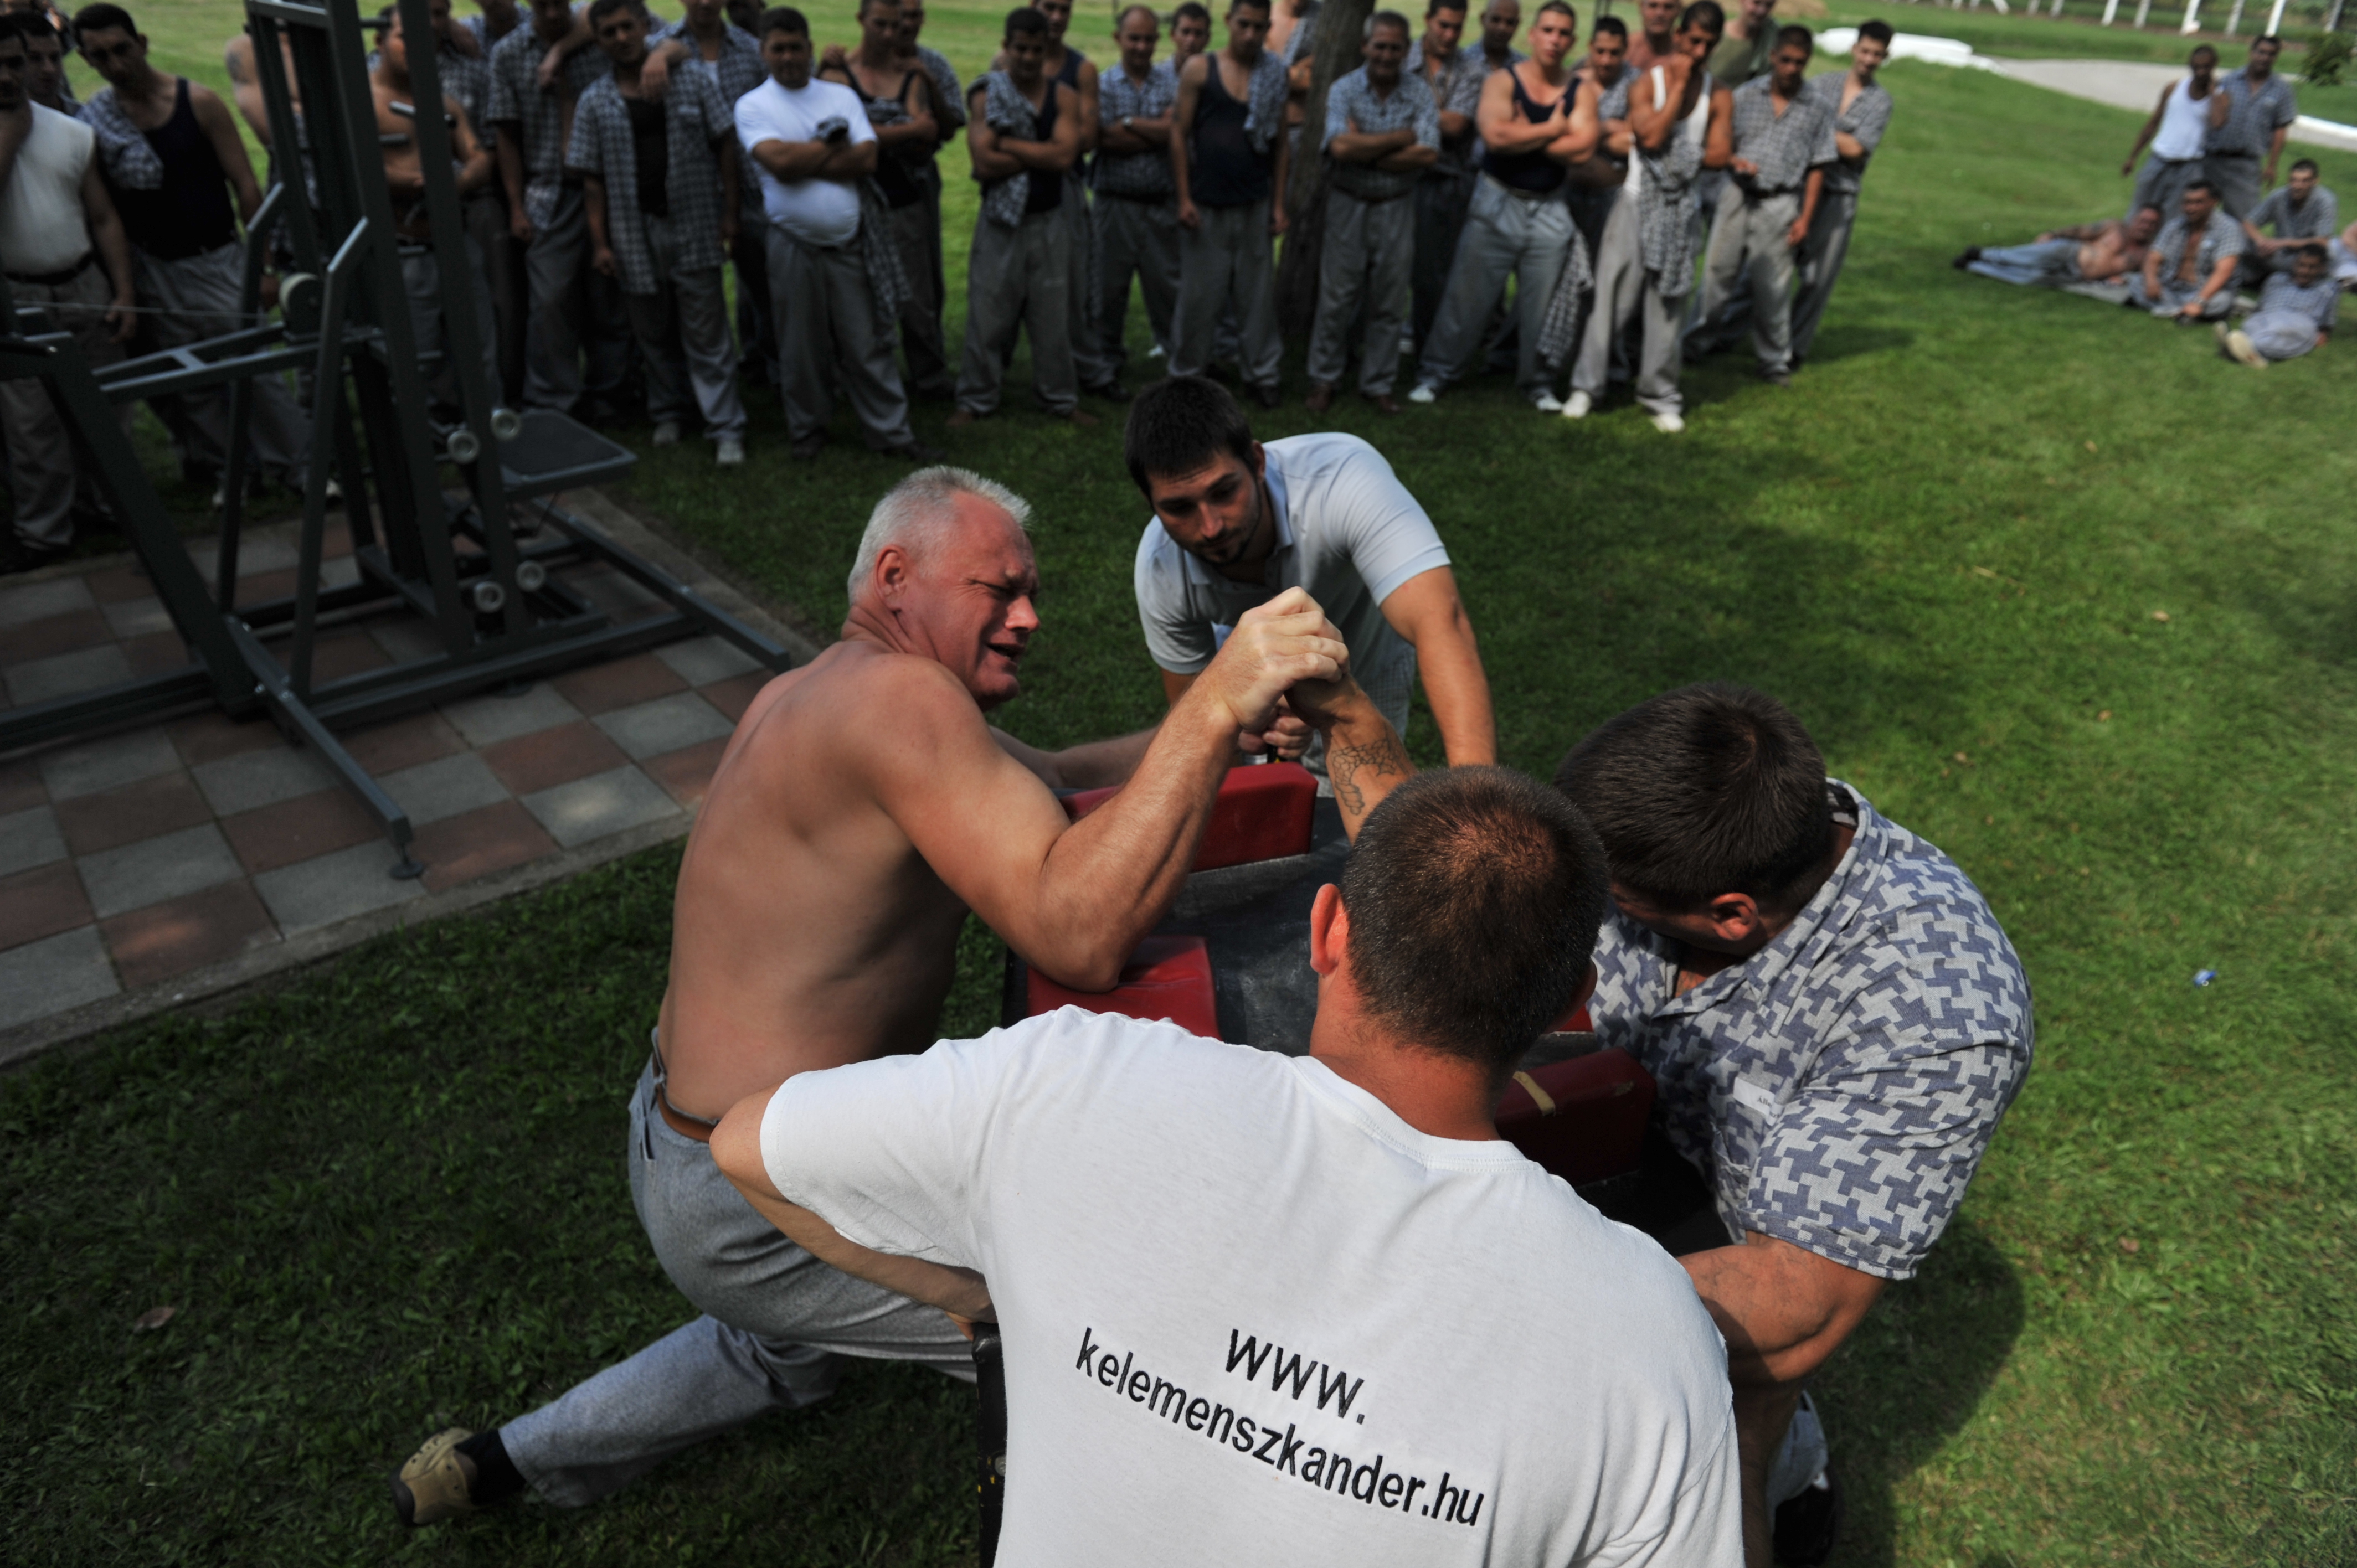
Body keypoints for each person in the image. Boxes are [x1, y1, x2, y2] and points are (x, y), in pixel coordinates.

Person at [389, 464, 1390, 1525]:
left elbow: (1051, 775)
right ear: (898, 574)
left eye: (1030, 592)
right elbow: (1079, 934)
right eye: (997, 589)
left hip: (686, 1141)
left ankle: (499, 1463)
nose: (1029, 617)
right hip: (758, 1199)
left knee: (782, 1351)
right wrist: (1223, 690)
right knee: (1080, 1334)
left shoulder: (831, 687)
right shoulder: (901, 700)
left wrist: (1216, 733)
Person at [709, 766, 1745, 1566]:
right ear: (1573, 999)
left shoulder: (1074, 1078)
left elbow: (750, 1144)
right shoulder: (1647, 1335)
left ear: (1327, 929)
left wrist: (990, 1296)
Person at [1555, 682, 2032, 1568]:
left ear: (1732, 915)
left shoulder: (1939, 1007)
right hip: (1605, 1184)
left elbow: (1797, 1302)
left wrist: (1492, 1281)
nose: (1598, 908)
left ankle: (1793, 1488)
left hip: (1725, 1312)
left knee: (1711, 1492)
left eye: (1617, 900)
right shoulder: (1704, 823)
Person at [1128, 374, 1495, 792]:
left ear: (1258, 463)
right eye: (1179, 508)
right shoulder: (1160, 570)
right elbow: (1191, 714)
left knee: (1371, 803)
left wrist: (1478, 801)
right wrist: (1233, 727)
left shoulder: (1343, 480)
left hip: (1366, 659)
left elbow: (1439, 624)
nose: (1210, 527)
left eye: (1225, 492)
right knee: (1259, 805)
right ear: (1150, 503)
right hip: (1242, 666)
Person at [70, 3, 309, 497]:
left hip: (217, 259)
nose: (115, 65)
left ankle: (299, 465)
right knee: (192, 383)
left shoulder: (197, 102)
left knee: (256, 372)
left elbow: (245, 184)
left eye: (121, 50)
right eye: (100, 57)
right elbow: (106, 213)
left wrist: (262, 267)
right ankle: (233, 472)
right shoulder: (98, 122)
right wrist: (127, 286)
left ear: (143, 43)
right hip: (154, 265)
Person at [736, 6, 932, 461]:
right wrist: (829, 147)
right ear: (764, 53)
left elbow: (865, 160)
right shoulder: (753, 106)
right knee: (800, 343)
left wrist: (801, 158)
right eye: (778, 48)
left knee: (867, 341)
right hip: (791, 243)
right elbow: (777, 165)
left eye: (796, 47)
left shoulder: (838, 96)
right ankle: (808, 431)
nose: (788, 57)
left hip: (850, 242)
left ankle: (891, 433)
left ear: (810, 46)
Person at [570, 0, 747, 465]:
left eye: (628, 27)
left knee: (706, 329)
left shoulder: (688, 80)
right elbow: (592, 178)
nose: (621, 38)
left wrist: (729, 212)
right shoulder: (595, 100)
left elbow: (724, 142)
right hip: (632, 231)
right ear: (599, 40)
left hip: (692, 222)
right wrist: (601, 242)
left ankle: (725, 425)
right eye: (609, 32)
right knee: (652, 328)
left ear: (644, 26)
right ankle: (669, 410)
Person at [0, 12, 133, 565]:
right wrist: (11, 132)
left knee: (105, 404)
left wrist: (122, 291)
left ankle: (113, 507)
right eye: (8, 64)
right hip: (18, 295)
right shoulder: (13, 132)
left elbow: (103, 217)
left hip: (83, 281)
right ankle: (45, 532)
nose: (13, 75)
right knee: (32, 424)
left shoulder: (72, 132)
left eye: (17, 63)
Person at [1407, 0, 1586, 410]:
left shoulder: (1578, 87)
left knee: (1542, 300)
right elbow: (1495, 137)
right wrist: (1555, 127)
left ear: (1572, 40)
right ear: (1534, 34)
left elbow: (1583, 146)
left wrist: (1526, 130)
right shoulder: (1504, 79)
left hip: (1550, 204)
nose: (1555, 40)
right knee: (1467, 295)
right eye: (1549, 30)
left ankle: (1538, 382)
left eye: (1563, 33)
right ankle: (1436, 373)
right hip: (1497, 195)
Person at [1562, 0, 1728, 432]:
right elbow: (1651, 136)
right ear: (1679, 37)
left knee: (1668, 306)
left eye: (1708, 45)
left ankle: (1660, 393)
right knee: (1611, 301)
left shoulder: (1719, 92)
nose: (1699, 52)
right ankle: (1587, 385)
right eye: (1693, 41)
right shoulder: (1646, 85)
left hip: (1680, 211)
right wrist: (1678, 88)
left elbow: (1722, 153)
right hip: (1635, 201)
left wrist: (1676, 155)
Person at [949, 6, 1091, 429]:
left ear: (1046, 48)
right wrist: (1038, 154)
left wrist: (1009, 144)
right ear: (1006, 48)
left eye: (1036, 49)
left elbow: (1067, 156)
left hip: (1049, 219)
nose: (1028, 57)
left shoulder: (1062, 96)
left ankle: (1061, 399)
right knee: (988, 312)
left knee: (1053, 315)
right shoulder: (987, 94)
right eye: (1020, 49)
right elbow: (983, 162)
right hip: (1000, 220)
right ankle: (975, 399)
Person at [491, 0, 629, 417]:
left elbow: (651, 32)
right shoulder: (510, 53)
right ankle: (553, 399)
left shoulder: (599, 35)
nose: (552, 13)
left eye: (558, 4)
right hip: (550, 190)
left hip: (611, 188)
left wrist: (560, 51)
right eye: (542, 5)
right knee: (551, 303)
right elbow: (506, 135)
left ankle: (610, 392)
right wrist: (516, 206)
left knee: (610, 296)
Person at [819, 0, 952, 404]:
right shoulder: (837, 72)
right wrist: (902, 128)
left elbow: (929, 132)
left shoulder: (910, 74)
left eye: (897, 26)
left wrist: (877, 130)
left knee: (917, 302)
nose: (890, 34)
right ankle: (853, 382)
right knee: (855, 300)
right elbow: (843, 138)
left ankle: (929, 380)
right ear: (861, 20)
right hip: (855, 206)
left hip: (903, 202)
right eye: (881, 24)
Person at [1684, 23, 1830, 388]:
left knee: (1773, 286)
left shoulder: (1818, 108)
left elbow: (1818, 167)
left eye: (1800, 63)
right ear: (1773, 58)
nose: (1792, 69)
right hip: (1737, 193)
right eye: (1786, 61)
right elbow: (1721, 143)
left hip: (1781, 199)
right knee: (1718, 274)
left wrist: (1805, 218)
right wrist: (1735, 162)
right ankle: (1695, 342)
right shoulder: (1747, 95)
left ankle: (1774, 360)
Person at [1306, 11, 1437, 414]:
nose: (1386, 54)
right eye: (1379, 45)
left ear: (1406, 50)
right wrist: (1401, 139)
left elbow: (1429, 153)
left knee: (1388, 300)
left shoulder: (1420, 92)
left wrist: (1365, 145)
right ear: (1365, 46)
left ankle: (1378, 383)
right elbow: (1339, 148)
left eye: (1395, 47)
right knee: (1336, 298)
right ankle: (1324, 380)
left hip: (1397, 206)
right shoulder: (1344, 88)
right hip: (1349, 203)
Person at [1168, 0, 1290, 406]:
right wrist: (1184, 197)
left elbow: (1281, 143)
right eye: (1244, 25)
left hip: (1253, 201)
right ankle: (1187, 377)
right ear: (1228, 22)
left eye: (1259, 27)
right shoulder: (1201, 69)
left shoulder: (1274, 73)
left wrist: (1278, 204)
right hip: (1207, 205)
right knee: (1200, 298)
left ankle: (1262, 375)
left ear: (1268, 27)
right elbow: (1179, 134)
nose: (1251, 35)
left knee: (1256, 298)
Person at [666, 0, 779, 395]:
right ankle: (690, 385)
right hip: (690, 192)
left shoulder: (751, 49)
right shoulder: (660, 48)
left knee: (765, 283)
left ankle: (770, 365)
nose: (706, 3)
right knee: (694, 294)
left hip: (750, 187)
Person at [1787, 17, 1886, 367]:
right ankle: (1727, 334)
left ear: (1884, 58)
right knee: (1774, 265)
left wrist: (1818, 131)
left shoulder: (1880, 102)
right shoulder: (1822, 85)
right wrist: (1836, 136)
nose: (1869, 59)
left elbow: (1858, 149)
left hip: (1840, 194)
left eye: (1877, 54)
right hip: (1801, 185)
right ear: (1854, 49)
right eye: (1865, 51)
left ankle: (1794, 348)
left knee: (1818, 278)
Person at [1093, 4, 1180, 378]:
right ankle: (1104, 363)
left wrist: (1127, 124)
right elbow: (1104, 138)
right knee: (1107, 291)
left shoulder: (1172, 84)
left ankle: (1179, 365)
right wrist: (1153, 130)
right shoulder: (1102, 84)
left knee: (1168, 290)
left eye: (1148, 39)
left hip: (1161, 204)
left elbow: (1176, 133)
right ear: (1118, 38)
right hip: (1115, 205)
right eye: (1134, 38)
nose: (1142, 47)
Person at [1402, 0, 1479, 350]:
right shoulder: (1400, 55)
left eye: (1457, 28)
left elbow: (1455, 124)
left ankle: (1424, 348)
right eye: (1443, 25)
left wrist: (1407, 113)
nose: (1449, 35)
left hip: (1444, 181)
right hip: (1398, 176)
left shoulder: (1471, 69)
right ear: (1428, 20)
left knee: (1433, 276)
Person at [2120, 44, 2218, 228]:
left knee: (2174, 217)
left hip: (2189, 165)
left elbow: (2218, 123)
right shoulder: (2174, 88)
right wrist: (2133, 157)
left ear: (2214, 66)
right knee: (2139, 209)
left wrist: (2214, 93)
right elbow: (2153, 122)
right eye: (2196, 67)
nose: (2201, 71)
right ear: (2190, 65)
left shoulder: (2218, 97)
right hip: (2160, 158)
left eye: (2206, 67)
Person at [1955, 205, 2162, 288]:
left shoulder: (2145, 254)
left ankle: (1973, 266)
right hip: (2070, 253)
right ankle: (1984, 254)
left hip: (2078, 277)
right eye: (2143, 220)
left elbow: (2142, 277)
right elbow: (2082, 231)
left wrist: (2120, 279)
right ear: (2135, 219)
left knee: (2033, 279)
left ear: (2156, 229)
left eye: (2152, 224)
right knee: (2029, 257)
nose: (2145, 226)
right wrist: (2054, 234)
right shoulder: (2115, 227)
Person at [2202, 34, 2294, 221]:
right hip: (2214, 159)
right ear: (2252, 53)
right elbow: (2209, 116)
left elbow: (2280, 129)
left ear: (2276, 57)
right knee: (2199, 213)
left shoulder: (2282, 90)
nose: (2265, 58)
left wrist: (2272, 165)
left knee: (2244, 220)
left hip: (2247, 165)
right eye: (2261, 52)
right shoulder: (2228, 81)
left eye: (2271, 54)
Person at [2132, 180, 2244, 322]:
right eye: (2187, 203)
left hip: (2204, 291)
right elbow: (2153, 257)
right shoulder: (2174, 226)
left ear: (2214, 202)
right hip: (2171, 288)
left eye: (2198, 203)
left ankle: (2173, 309)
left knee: (2222, 301)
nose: (2191, 208)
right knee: (2137, 281)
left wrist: (2199, 301)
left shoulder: (2229, 229)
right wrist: (2151, 281)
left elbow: (2223, 272)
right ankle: (2181, 312)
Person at [2218, 243, 2334, 367]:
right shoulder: (2277, 279)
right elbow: (2261, 307)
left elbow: (2326, 322)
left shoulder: (2327, 289)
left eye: (2312, 267)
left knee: (2280, 330)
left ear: (2322, 268)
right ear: (2294, 264)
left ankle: (2241, 347)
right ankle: (2242, 348)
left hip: (2299, 321)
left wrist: (2323, 334)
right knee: (2253, 324)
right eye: (2301, 265)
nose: (2304, 271)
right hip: (2268, 315)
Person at [2239, 156, 2336, 278]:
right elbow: (2249, 223)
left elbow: (2321, 242)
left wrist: (2282, 243)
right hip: (2278, 253)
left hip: (2304, 257)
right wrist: (2261, 242)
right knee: (2239, 238)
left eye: (2304, 181)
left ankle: (2259, 275)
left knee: (2311, 264)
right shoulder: (2279, 196)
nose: (2297, 186)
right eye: (2294, 180)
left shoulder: (2325, 201)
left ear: (2315, 181)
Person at [1702, 0, 1769, 85]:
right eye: (1756, 3)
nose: (1761, 11)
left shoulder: (1770, 39)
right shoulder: (1714, 36)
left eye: (1769, 5)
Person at [1170, 0, 1212, 65]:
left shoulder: (1218, 74)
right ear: (1173, 35)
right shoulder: (1157, 74)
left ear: (1208, 38)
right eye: (1186, 32)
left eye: (1198, 33)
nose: (1191, 39)